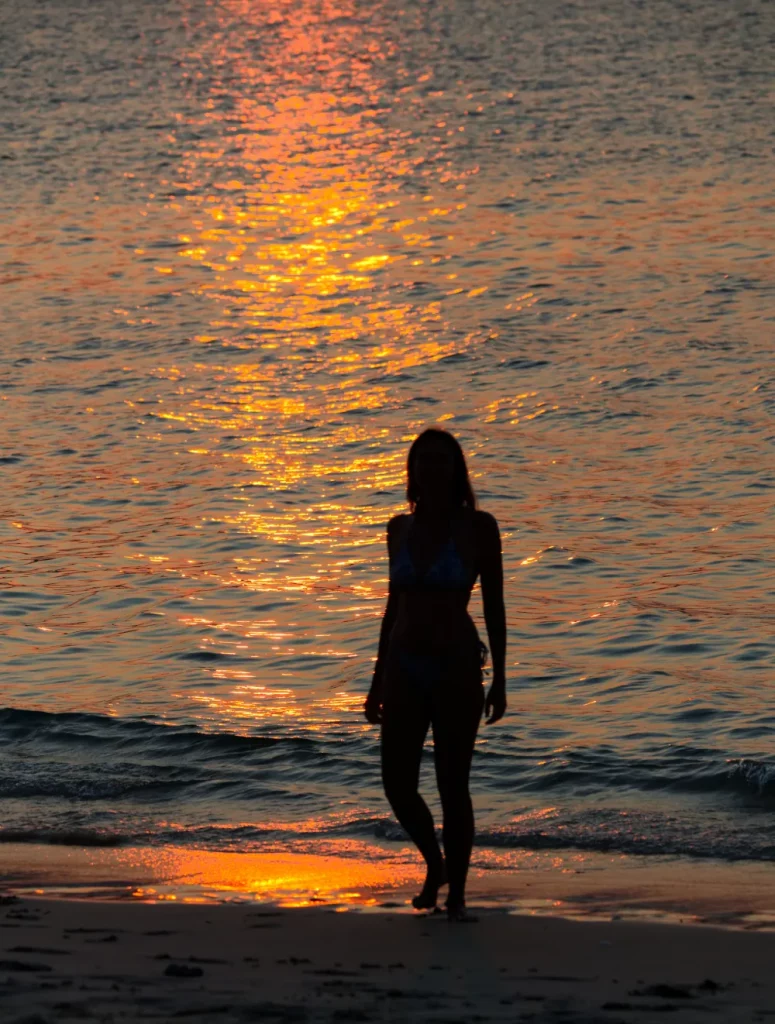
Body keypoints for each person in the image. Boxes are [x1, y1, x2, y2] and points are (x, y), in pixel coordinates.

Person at [364, 427, 507, 922]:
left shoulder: (479, 528)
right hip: (403, 667)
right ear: (412, 471)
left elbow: (494, 605)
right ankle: (435, 863)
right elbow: (391, 607)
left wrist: (503, 679)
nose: (432, 469)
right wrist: (376, 679)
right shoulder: (397, 528)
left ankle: (458, 895)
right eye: (423, 461)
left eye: (442, 461)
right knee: (397, 784)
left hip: (456, 668)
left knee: (452, 784)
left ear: (457, 470)